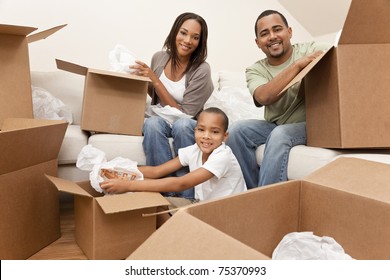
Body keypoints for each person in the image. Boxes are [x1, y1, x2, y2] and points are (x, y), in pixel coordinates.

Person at [226, 10, 330, 188]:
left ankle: (265, 203)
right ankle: (254, 195)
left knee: (279, 135)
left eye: (277, 29)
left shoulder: (310, 49)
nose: (272, 37)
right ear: (258, 43)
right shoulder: (255, 70)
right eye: (265, 34)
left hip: (310, 124)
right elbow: (263, 96)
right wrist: (297, 66)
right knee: (237, 130)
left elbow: (341, 55)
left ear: (289, 32)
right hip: (276, 124)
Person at [130, 12, 214, 199]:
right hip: (159, 117)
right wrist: (143, 82)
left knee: (182, 126)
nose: (187, 40)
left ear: (200, 42)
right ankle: (163, 193)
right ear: (175, 32)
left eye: (195, 37)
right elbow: (156, 97)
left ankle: (187, 195)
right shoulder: (159, 58)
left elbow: (186, 113)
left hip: (187, 121)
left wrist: (155, 80)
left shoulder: (202, 69)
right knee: (151, 125)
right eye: (183, 33)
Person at [100, 107, 247, 202]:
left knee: (155, 211)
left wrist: (128, 186)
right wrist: (118, 169)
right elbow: (156, 171)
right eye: (201, 130)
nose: (206, 136)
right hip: (205, 206)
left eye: (214, 132)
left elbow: (180, 183)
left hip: (228, 212)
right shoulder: (195, 149)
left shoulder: (222, 156)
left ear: (225, 136)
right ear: (195, 131)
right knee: (151, 204)